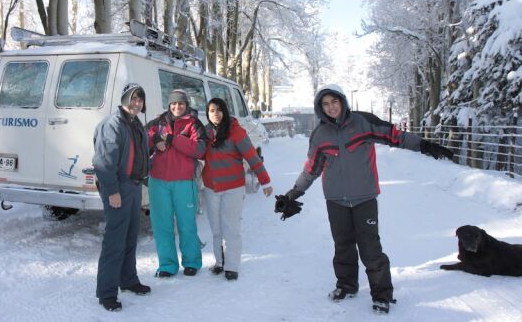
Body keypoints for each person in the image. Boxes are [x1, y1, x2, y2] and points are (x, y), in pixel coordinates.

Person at [275, 84, 453, 314]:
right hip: (336, 200)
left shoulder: (363, 122)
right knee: (343, 245)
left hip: (364, 198)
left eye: (334, 102)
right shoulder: (320, 135)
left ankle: (381, 294)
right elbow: (311, 169)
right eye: (326, 104)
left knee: (370, 248)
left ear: (342, 101)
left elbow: (394, 136)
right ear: (321, 108)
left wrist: (424, 145)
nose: (331, 107)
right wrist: (293, 193)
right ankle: (347, 285)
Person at [92, 83, 151, 312]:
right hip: (118, 187)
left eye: (140, 99)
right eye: (133, 98)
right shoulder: (113, 124)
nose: (137, 103)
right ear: (125, 99)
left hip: (134, 186)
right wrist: (113, 191)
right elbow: (104, 163)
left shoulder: (135, 124)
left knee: (130, 237)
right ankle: (106, 293)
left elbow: (139, 154)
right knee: (115, 241)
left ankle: (128, 279)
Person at [202, 97, 274, 281]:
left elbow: (252, 156)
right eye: (211, 110)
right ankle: (219, 262)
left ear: (225, 111)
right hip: (211, 187)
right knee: (216, 228)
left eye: (219, 110)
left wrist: (265, 181)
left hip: (233, 188)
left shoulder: (236, 132)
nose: (215, 114)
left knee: (231, 228)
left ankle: (232, 266)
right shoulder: (206, 132)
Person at [146, 89, 208, 277]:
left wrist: (175, 139)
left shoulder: (194, 124)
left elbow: (200, 150)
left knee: (186, 224)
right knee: (161, 225)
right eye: (173, 103)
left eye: (181, 103)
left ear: (186, 104)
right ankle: (167, 265)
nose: (177, 107)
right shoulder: (157, 123)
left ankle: (192, 262)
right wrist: (154, 139)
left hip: (184, 182)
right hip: (158, 182)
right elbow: (142, 138)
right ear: (169, 104)